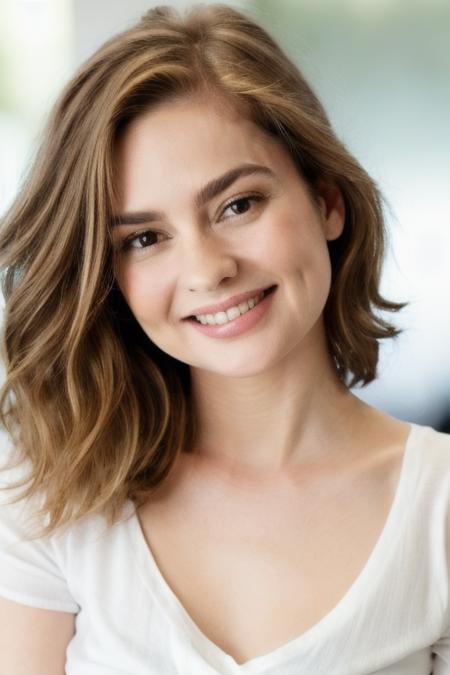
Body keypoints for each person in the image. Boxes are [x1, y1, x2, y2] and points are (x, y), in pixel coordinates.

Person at [0, 3, 449, 674]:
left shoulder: (438, 508)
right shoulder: (52, 495)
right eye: (146, 238)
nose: (209, 270)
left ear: (327, 201)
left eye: (238, 205)